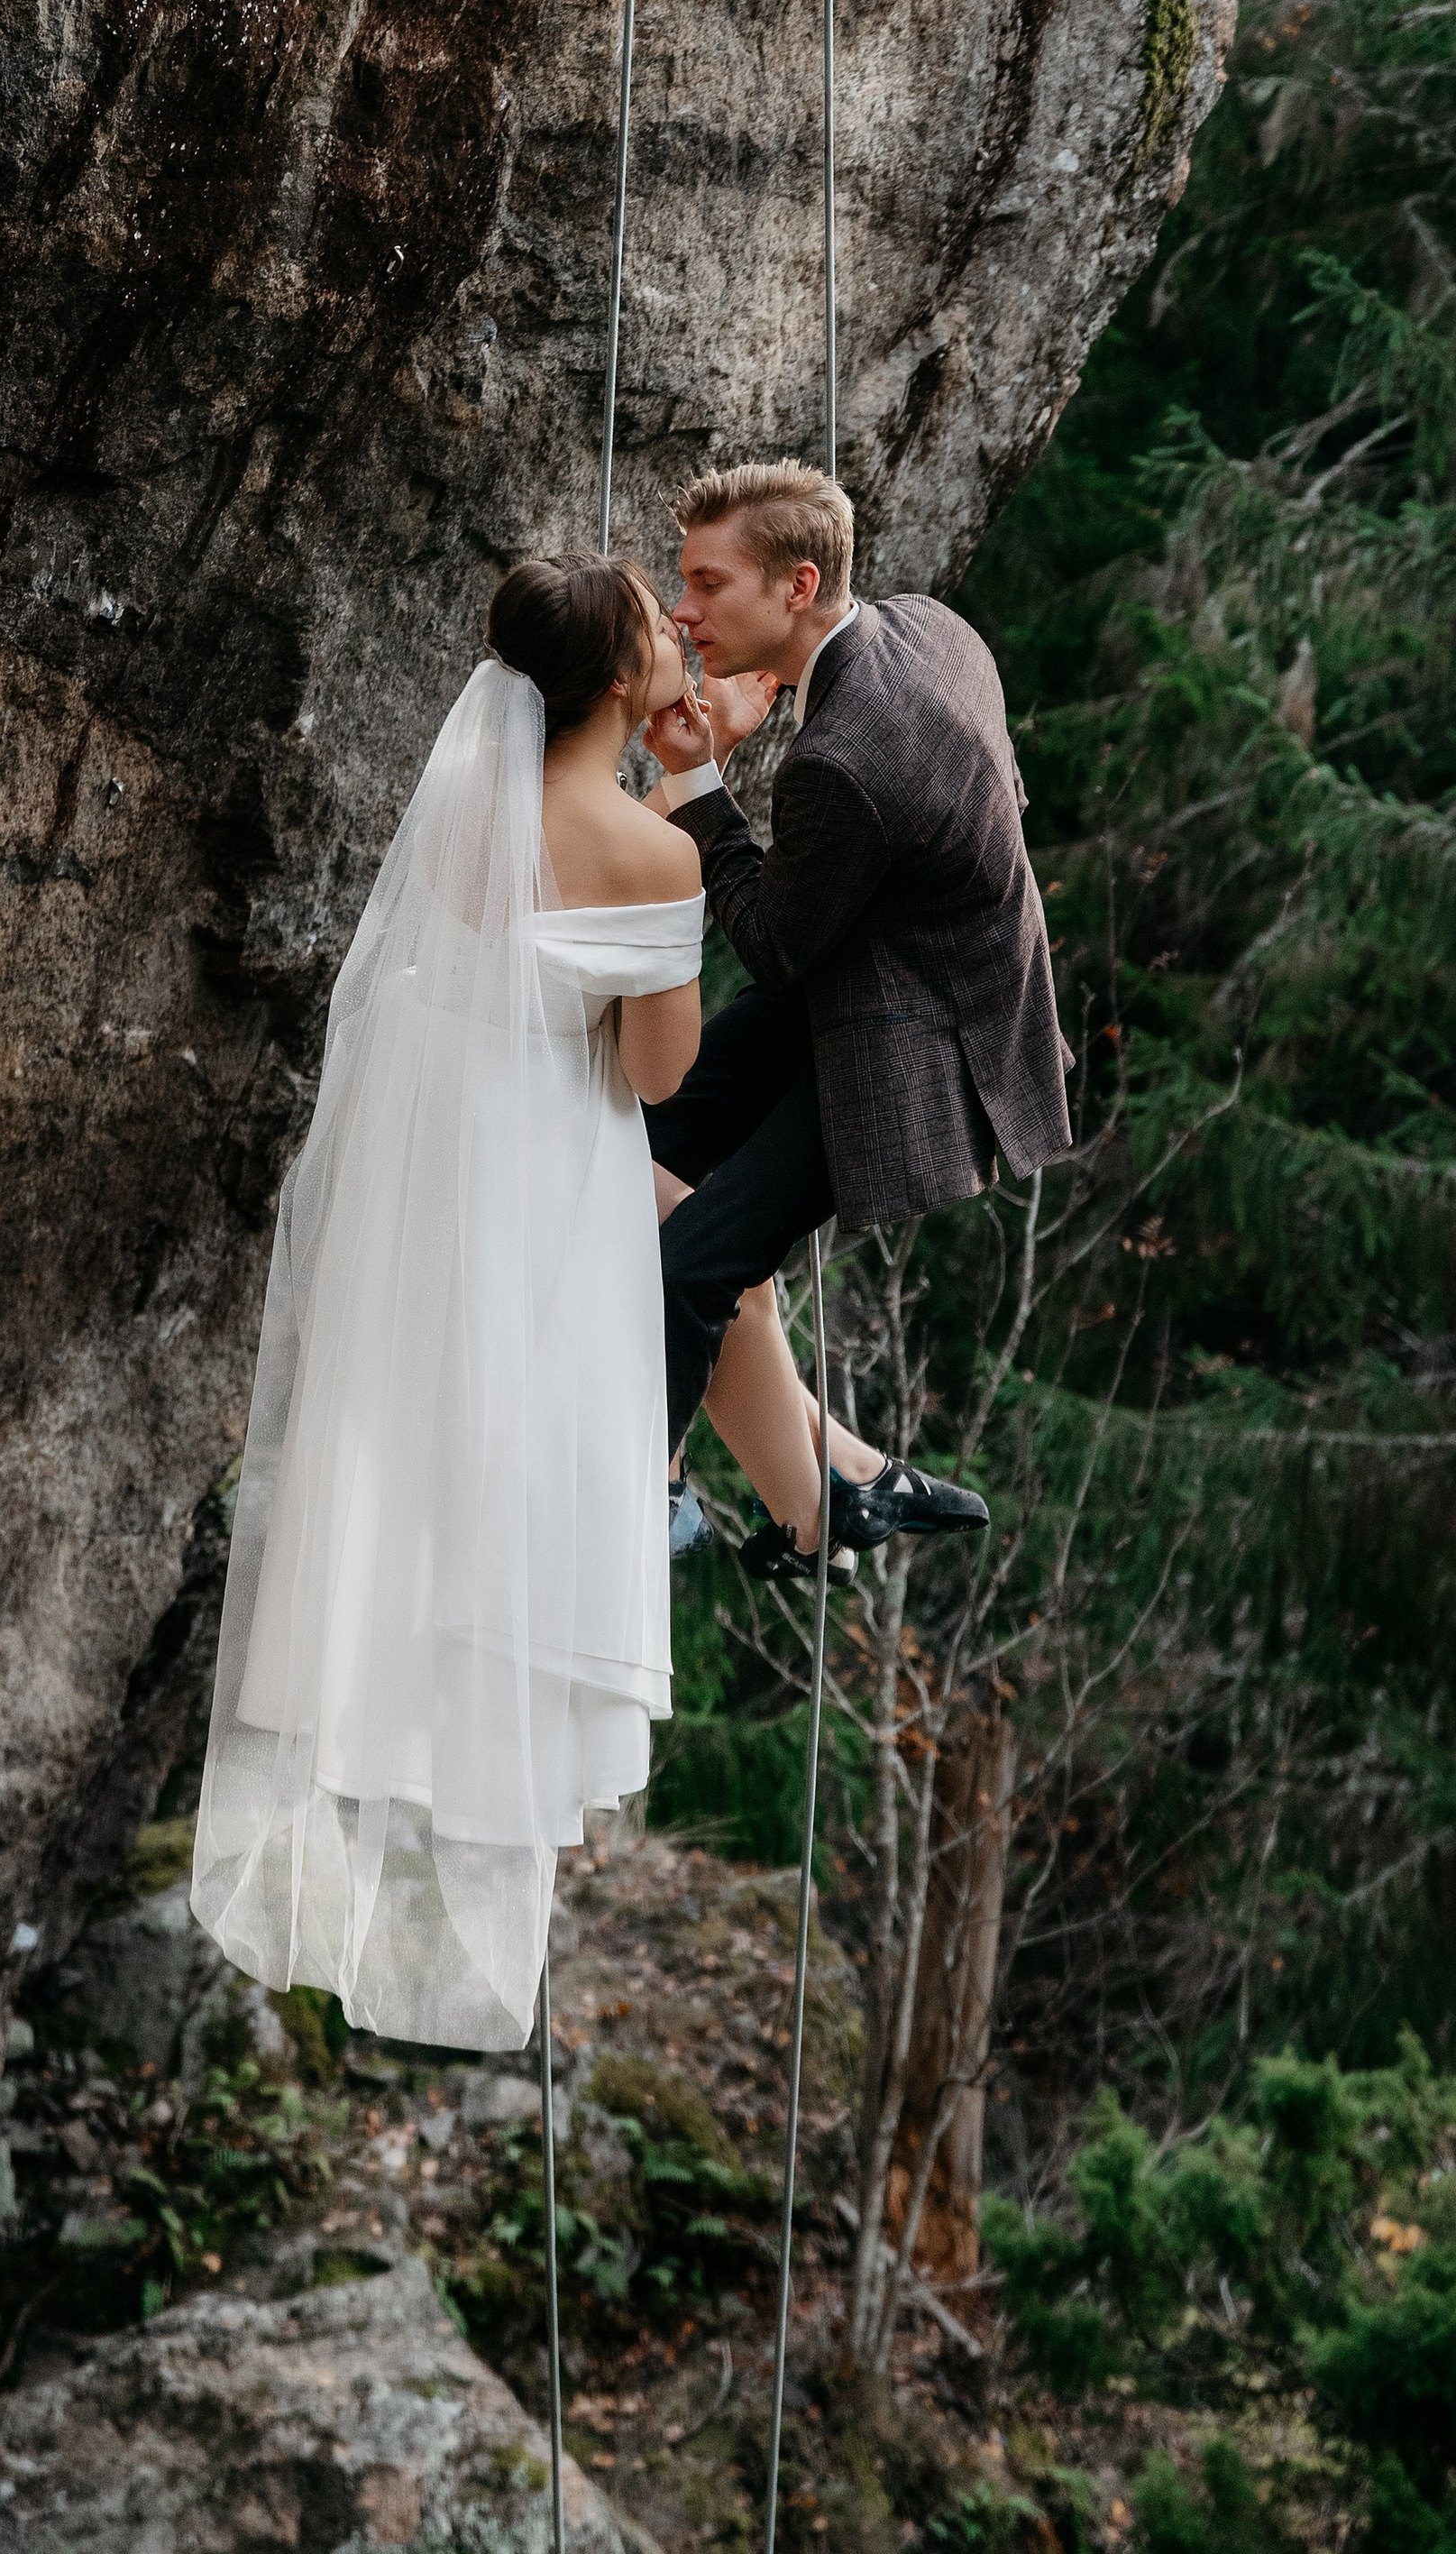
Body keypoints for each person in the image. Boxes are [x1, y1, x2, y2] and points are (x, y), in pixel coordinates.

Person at [191, 556, 703, 2047]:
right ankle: (495, 1802)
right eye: (661, 626)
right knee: (531, 1485)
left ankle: (381, 1774)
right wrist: (680, 819)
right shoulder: (648, 850)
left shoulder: (463, 812)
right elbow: (661, 1076)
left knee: (424, 1476)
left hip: (431, 1193)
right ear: (620, 682)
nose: (679, 634)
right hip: (549, 1190)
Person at [642, 458, 1073, 1580]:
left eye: (705, 583)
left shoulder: (843, 761)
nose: (683, 612)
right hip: (879, 974)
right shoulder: (929, 627)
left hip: (916, 1047)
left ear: (796, 586)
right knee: (639, 1147)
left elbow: (774, 941)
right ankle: (845, 1483)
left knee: (696, 1256)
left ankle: (648, 1498)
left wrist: (696, 787)